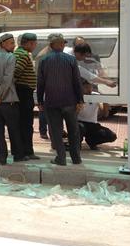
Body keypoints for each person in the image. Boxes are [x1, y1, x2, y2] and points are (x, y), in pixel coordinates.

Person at [37, 33, 83, 166]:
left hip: (52, 101)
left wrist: (40, 101)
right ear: (58, 45)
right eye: (62, 43)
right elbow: (77, 82)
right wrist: (80, 100)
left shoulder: (44, 60)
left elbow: (40, 83)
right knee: (73, 130)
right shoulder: (71, 60)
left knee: (56, 131)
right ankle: (76, 158)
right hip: (69, 101)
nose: (63, 45)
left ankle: (61, 158)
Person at [0, 33, 26, 165]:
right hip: (8, 99)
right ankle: (18, 155)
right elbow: (7, 79)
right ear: (3, 44)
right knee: (14, 129)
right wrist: (0, 95)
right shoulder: (10, 57)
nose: (14, 46)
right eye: (11, 43)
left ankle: (1, 156)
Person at [13, 33, 40, 160]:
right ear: (29, 43)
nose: (35, 46)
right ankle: (25, 151)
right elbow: (16, 72)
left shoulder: (18, 53)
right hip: (23, 92)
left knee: (23, 123)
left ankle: (26, 151)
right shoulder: (23, 55)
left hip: (22, 92)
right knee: (26, 124)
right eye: (34, 44)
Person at [78, 81, 117, 150]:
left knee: (112, 136)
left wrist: (105, 105)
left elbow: (105, 114)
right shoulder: (77, 96)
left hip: (92, 124)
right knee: (79, 128)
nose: (89, 89)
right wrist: (80, 105)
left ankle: (92, 141)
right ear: (81, 87)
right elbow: (73, 114)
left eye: (90, 87)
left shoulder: (96, 96)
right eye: (86, 87)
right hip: (80, 122)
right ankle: (77, 144)